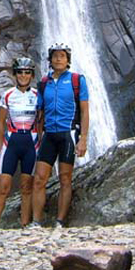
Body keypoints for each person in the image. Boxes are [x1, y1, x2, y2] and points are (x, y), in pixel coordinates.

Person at [30, 43, 89, 228]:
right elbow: (39, 112)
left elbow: (85, 111)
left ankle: (60, 221)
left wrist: (83, 139)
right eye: (55, 56)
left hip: (68, 134)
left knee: (65, 178)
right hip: (49, 135)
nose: (58, 59)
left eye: (62, 56)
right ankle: (36, 222)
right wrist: (37, 137)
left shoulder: (77, 80)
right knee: (39, 178)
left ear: (68, 60)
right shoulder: (44, 82)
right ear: (50, 59)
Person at [0, 56, 40, 229]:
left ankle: (25, 224)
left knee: (27, 186)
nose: (23, 76)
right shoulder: (8, 95)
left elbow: (41, 123)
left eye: (27, 73)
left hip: (31, 144)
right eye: (20, 72)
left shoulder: (37, 95)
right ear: (15, 74)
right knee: (3, 186)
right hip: (11, 143)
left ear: (32, 75)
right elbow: (1, 123)